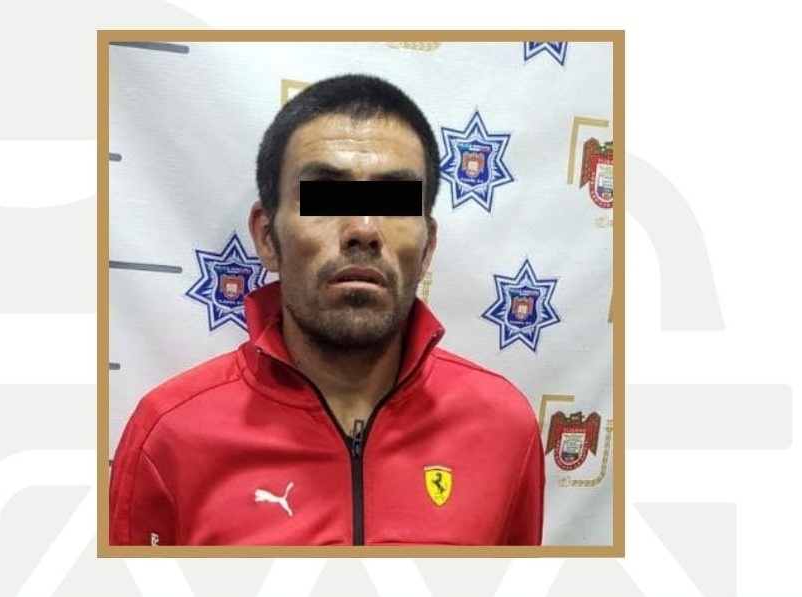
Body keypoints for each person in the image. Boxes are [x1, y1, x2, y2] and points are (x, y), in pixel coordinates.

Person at [109, 73, 544, 546]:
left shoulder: (504, 427)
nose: (363, 228)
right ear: (266, 237)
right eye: (325, 196)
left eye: (394, 202)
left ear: (427, 247)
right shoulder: (169, 437)